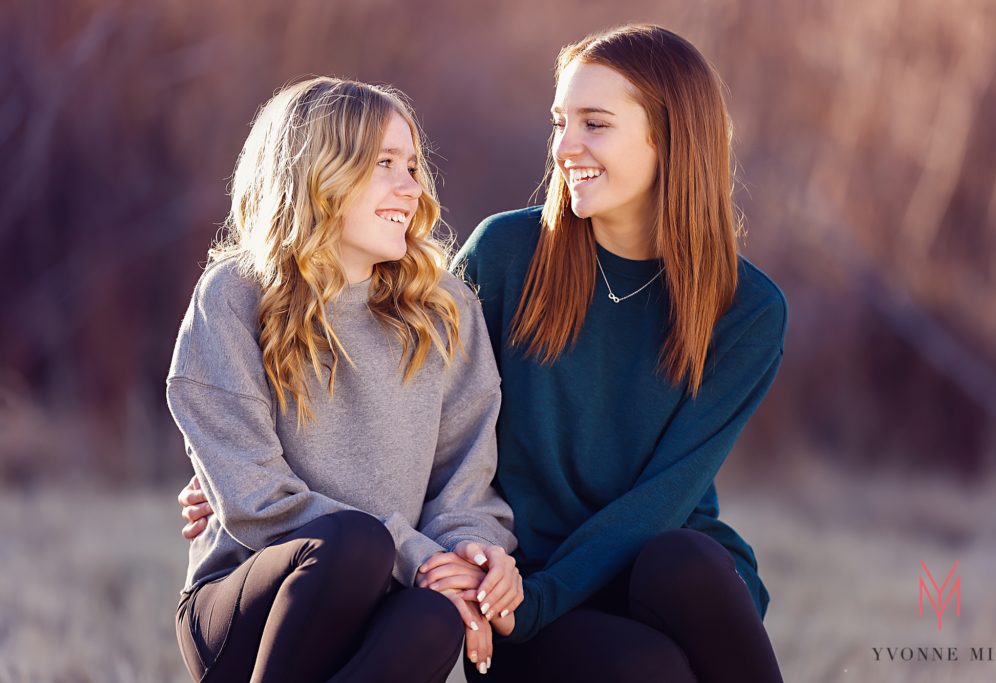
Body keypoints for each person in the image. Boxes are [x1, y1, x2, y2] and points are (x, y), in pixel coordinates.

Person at [182, 24, 788, 682]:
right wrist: (239, 483)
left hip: (603, 577)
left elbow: (661, 496)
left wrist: (505, 581)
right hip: (510, 582)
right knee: (648, 668)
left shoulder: (747, 308)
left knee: (686, 563)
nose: (564, 147)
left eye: (595, 123)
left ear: (669, 136)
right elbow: (401, 415)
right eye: (560, 121)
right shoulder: (504, 258)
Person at [167, 76, 521, 683]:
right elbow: (256, 501)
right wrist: (417, 555)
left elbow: (466, 483)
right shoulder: (233, 296)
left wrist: (467, 556)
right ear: (316, 172)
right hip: (249, 609)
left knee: (434, 617)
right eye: (385, 163)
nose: (411, 188)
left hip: (386, 605)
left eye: (412, 165)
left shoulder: (445, 309)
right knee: (357, 544)